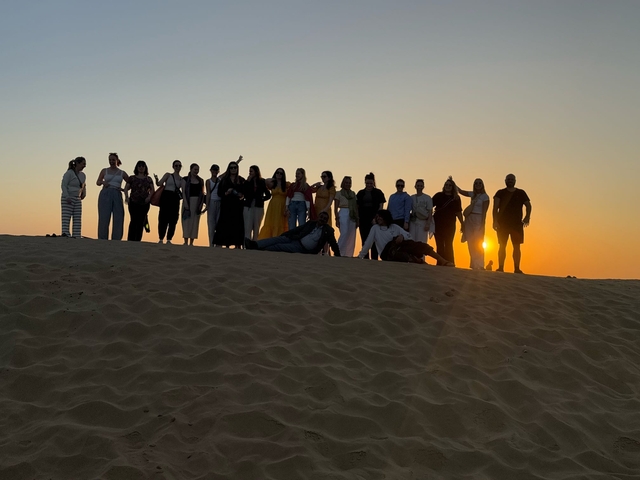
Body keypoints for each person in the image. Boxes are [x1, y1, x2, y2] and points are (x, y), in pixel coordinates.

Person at [357, 210, 453, 265]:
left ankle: (443, 261)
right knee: (402, 254)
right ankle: (421, 262)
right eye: (377, 217)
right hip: (387, 254)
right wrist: (360, 256)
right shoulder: (375, 228)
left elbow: (408, 236)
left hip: (399, 247)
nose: (378, 219)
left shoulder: (394, 227)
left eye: (380, 217)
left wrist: (402, 236)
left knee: (419, 245)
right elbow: (368, 243)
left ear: (385, 217)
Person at [246, 211, 340, 256]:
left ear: (327, 221)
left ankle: (259, 249)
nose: (322, 219)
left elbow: (333, 243)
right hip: (296, 238)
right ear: (318, 217)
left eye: (324, 218)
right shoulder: (311, 223)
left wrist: (338, 255)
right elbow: (298, 229)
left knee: (279, 247)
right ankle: (255, 244)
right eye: (321, 217)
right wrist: (286, 233)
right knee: (277, 239)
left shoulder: (328, 230)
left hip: (302, 249)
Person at [493, 173, 532, 273]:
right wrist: (495, 221)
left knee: (516, 246)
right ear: (505, 180)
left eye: (512, 179)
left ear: (515, 181)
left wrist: (527, 217)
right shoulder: (500, 193)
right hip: (502, 224)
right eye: (508, 179)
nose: (510, 181)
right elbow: (495, 208)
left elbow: (528, 205)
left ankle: (517, 268)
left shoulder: (521, 192)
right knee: (502, 246)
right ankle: (501, 267)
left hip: (517, 224)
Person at [458, 178, 490, 270]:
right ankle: (473, 263)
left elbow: (485, 211)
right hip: (469, 218)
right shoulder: (472, 194)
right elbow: (461, 192)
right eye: (476, 183)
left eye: (480, 183)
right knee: (470, 242)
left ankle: (480, 264)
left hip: (478, 218)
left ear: (482, 185)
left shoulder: (485, 196)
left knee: (478, 242)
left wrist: (482, 223)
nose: (478, 184)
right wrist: (453, 183)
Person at [96, 153, 128, 240]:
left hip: (117, 193)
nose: (111, 162)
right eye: (110, 160)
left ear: (117, 160)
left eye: (113, 160)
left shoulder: (122, 172)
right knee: (104, 216)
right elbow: (98, 182)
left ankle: (116, 239)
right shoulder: (104, 171)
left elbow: (129, 182)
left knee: (119, 216)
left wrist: (123, 189)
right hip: (106, 193)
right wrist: (103, 182)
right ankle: (102, 238)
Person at [432, 177, 463, 266]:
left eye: (450, 185)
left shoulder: (456, 198)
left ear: (453, 187)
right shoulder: (438, 195)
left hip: (450, 224)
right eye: (446, 185)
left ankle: (450, 262)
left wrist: (462, 224)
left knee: (449, 243)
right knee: (440, 244)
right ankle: (440, 262)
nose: (448, 186)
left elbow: (458, 212)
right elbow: (429, 205)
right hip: (438, 223)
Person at [213, 161, 245, 248]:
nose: (233, 169)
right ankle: (223, 244)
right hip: (226, 205)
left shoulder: (241, 180)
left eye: (235, 167)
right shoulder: (224, 180)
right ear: (229, 169)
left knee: (237, 224)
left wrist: (240, 194)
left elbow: (245, 192)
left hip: (237, 206)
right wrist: (227, 193)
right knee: (224, 224)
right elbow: (220, 193)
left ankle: (238, 244)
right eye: (231, 167)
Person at [356, 173, 386, 260]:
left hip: (374, 219)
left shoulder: (378, 192)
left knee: (374, 240)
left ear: (373, 183)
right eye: (367, 183)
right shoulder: (360, 193)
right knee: (364, 239)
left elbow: (381, 206)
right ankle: (365, 258)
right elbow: (357, 207)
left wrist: (377, 218)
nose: (369, 185)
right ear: (365, 182)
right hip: (363, 219)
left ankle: (374, 259)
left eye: (371, 183)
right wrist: (358, 218)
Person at [124, 160, 154, 241]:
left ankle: (138, 240)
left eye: (143, 166)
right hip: (133, 202)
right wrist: (126, 197)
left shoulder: (148, 179)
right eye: (139, 166)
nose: (141, 167)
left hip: (144, 203)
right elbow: (126, 188)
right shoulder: (132, 178)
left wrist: (149, 197)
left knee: (141, 221)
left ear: (145, 168)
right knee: (133, 220)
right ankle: (130, 239)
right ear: (137, 167)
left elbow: (152, 190)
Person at [154, 160, 183, 244]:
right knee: (163, 218)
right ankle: (161, 238)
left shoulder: (181, 179)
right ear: (173, 167)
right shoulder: (168, 175)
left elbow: (183, 190)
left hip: (175, 199)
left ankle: (169, 238)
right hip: (166, 197)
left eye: (179, 166)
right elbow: (159, 184)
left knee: (173, 219)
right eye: (176, 166)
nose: (178, 167)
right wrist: (156, 179)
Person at [258, 168, 290, 239]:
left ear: (283, 175)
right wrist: (274, 179)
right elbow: (265, 181)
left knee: (280, 223)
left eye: (281, 173)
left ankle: (278, 240)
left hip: (282, 205)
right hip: (273, 205)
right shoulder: (272, 184)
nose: (279, 174)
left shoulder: (286, 184)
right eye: (277, 173)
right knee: (270, 222)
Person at [242, 165, 271, 241]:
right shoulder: (247, 181)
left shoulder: (262, 182)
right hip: (248, 205)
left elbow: (268, 194)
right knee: (247, 226)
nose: (250, 172)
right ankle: (247, 244)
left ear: (256, 171)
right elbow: (243, 192)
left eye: (251, 171)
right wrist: (248, 181)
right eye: (249, 171)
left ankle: (254, 243)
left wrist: (262, 199)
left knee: (256, 226)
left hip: (258, 206)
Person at [61, 157, 87, 238]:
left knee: (77, 218)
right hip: (68, 197)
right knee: (66, 217)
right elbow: (63, 185)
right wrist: (66, 196)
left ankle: (77, 235)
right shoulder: (69, 173)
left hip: (77, 198)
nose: (84, 166)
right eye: (83, 164)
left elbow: (83, 185)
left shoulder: (83, 175)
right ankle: (66, 234)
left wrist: (84, 194)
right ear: (78, 164)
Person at [333, 176, 359, 257]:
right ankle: (338, 252)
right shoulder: (339, 193)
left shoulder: (353, 194)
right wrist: (336, 218)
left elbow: (356, 206)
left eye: (349, 183)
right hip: (343, 212)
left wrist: (357, 218)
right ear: (343, 183)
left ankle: (348, 254)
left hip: (352, 213)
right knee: (344, 233)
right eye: (346, 182)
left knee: (351, 234)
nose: (348, 184)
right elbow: (335, 207)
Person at [181, 163, 205, 246]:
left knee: (195, 222)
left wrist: (201, 204)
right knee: (186, 221)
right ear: (191, 169)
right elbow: (183, 192)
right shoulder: (185, 179)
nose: (196, 171)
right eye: (195, 169)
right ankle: (185, 241)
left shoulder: (201, 181)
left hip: (197, 202)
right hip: (187, 201)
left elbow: (202, 193)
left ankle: (192, 242)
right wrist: (186, 203)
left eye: (198, 169)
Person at [409, 179, 433, 244]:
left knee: (421, 242)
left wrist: (428, 224)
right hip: (413, 222)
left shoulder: (427, 198)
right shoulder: (411, 198)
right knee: (412, 241)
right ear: (415, 186)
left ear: (423, 187)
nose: (419, 187)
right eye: (418, 185)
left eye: (421, 186)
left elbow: (430, 212)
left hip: (423, 222)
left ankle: (421, 254)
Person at [203, 164, 221, 246]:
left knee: (219, 224)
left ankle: (218, 243)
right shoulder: (208, 181)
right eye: (213, 170)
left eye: (216, 170)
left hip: (219, 202)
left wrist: (238, 161)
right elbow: (208, 194)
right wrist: (207, 205)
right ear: (211, 170)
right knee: (211, 223)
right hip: (211, 202)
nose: (215, 171)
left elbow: (226, 172)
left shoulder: (220, 180)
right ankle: (211, 243)